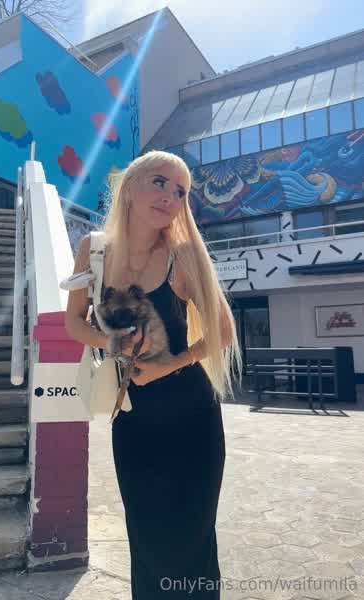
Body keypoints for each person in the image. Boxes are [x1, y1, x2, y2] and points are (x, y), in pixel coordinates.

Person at [65, 150, 242, 599]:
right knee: (145, 536)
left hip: (192, 418)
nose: (171, 197)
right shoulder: (94, 250)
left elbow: (223, 332)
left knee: (191, 536)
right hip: (133, 419)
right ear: (129, 188)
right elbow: (73, 323)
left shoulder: (183, 256)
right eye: (160, 182)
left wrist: (169, 363)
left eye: (181, 192)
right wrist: (114, 343)